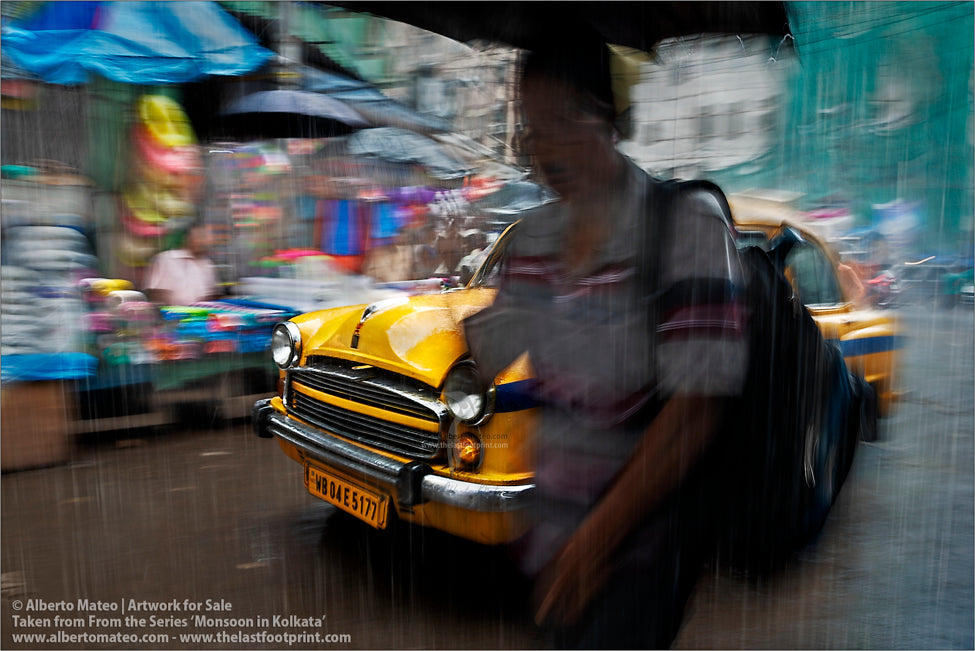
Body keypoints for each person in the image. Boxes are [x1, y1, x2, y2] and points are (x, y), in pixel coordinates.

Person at [463, 31, 748, 649]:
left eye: (566, 119)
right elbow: (490, 352)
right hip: (549, 541)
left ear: (612, 118)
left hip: (637, 552)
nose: (548, 150)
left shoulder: (687, 229)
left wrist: (596, 543)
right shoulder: (534, 238)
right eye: (533, 129)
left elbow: (696, 410)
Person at [144, 223, 219, 305]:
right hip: (172, 315)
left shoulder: (206, 263)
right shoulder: (167, 259)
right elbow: (156, 292)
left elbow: (210, 294)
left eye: (206, 238)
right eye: (200, 237)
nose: (204, 242)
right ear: (188, 239)